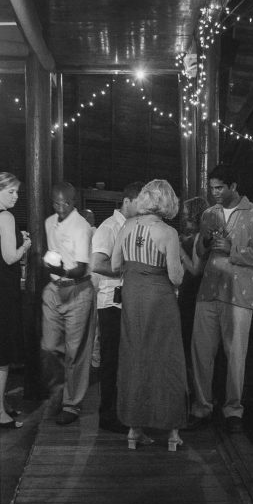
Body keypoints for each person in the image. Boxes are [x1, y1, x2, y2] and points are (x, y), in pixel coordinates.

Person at [187, 163, 253, 435]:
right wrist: (205, 241)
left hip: (239, 292)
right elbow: (199, 250)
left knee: (235, 355)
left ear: (233, 186)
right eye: (211, 188)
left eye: (219, 187)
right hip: (208, 289)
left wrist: (234, 250)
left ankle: (233, 410)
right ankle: (202, 407)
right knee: (201, 353)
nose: (215, 192)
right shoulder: (209, 214)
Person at [111, 180, 186, 451]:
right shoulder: (168, 233)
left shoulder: (127, 226)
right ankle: (173, 432)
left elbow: (115, 264)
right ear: (168, 202)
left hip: (132, 296)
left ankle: (133, 429)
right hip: (160, 299)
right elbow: (176, 277)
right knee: (167, 359)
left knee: (135, 357)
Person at [41, 181, 97, 426]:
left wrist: (57, 267)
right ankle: (58, 393)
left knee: (76, 351)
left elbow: (82, 268)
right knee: (49, 346)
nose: (61, 207)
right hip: (54, 289)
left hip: (78, 289)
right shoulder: (48, 223)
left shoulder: (82, 226)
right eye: (56, 202)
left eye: (65, 202)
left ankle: (71, 404)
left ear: (74, 202)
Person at [90, 181, 143, 434]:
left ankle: (121, 411)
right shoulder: (109, 227)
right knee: (111, 360)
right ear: (128, 201)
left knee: (124, 359)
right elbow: (97, 263)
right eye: (141, 203)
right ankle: (108, 414)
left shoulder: (133, 227)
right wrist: (129, 268)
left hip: (127, 300)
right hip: (111, 300)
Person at [0, 172, 31, 429]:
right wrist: (25, 245)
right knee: (3, 353)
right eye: (11, 192)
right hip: (5, 287)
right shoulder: (5, 217)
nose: (16, 197)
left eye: (17, 192)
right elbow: (9, 257)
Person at [178, 196, 210, 366]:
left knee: (188, 334)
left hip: (192, 291)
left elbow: (196, 270)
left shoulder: (199, 237)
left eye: (186, 211)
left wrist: (180, 251)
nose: (183, 214)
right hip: (188, 288)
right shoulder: (195, 235)